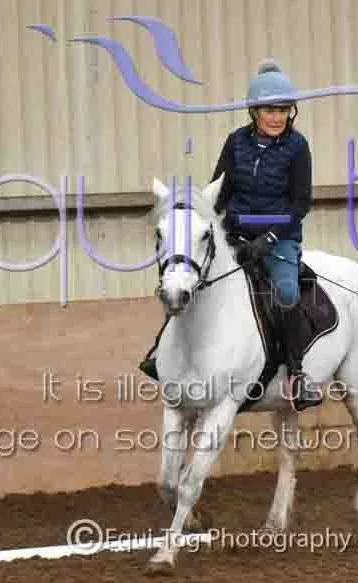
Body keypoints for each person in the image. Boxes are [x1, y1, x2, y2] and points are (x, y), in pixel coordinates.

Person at [140, 58, 322, 411]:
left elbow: (300, 203)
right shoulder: (236, 142)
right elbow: (219, 193)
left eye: (284, 110)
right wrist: (207, 223)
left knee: (286, 291)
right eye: (270, 110)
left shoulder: (297, 147)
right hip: (235, 234)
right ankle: (164, 354)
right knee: (186, 278)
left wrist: (270, 239)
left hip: (279, 238)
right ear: (254, 111)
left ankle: (296, 372)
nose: (277, 117)